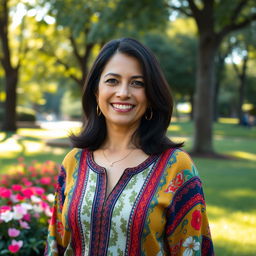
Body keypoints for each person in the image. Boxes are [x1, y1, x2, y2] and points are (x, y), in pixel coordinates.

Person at [45, 38, 214, 256]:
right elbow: (55, 244)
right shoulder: (74, 161)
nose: (124, 92)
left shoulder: (175, 167)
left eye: (137, 83)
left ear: (151, 95)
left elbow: (194, 249)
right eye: (113, 81)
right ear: (96, 91)